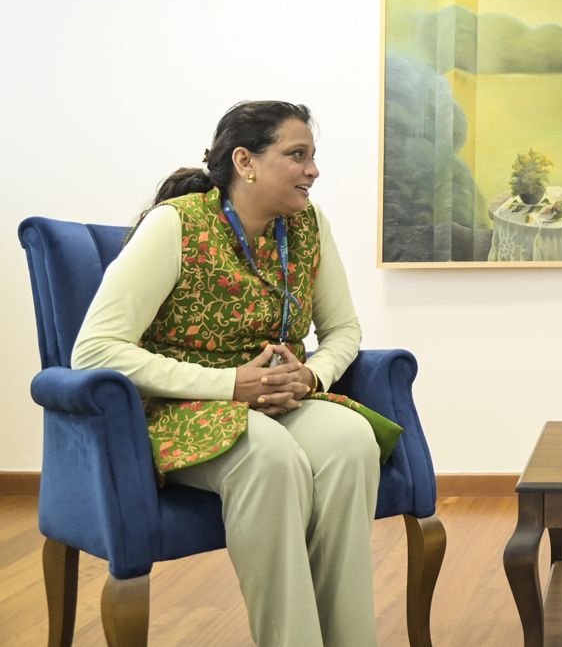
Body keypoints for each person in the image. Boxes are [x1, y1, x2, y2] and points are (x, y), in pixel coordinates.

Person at [73, 100, 401, 647]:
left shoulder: (309, 225)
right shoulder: (175, 225)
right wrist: (228, 385)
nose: (313, 170)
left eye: (313, 156)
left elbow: (344, 329)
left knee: (351, 442)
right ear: (245, 161)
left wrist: (312, 377)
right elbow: (95, 350)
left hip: (278, 400)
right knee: (269, 457)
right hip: (182, 408)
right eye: (297, 155)